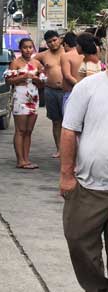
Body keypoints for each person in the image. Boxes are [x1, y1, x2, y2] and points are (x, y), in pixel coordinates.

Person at [60, 69, 108, 291]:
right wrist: (66, 176)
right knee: (77, 239)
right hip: (90, 187)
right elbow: (69, 131)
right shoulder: (88, 86)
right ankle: (97, 287)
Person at [4, 38, 46, 169]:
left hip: (33, 97)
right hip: (20, 97)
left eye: (30, 47)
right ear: (20, 49)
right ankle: (20, 160)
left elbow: (42, 83)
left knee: (29, 131)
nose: (28, 50)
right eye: (25, 47)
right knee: (20, 130)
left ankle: (26, 159)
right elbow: (8, 81)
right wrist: (23, 77)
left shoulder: (37, 64)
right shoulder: (15, 63)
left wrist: (36, 79)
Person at [34, 30, 65, 158]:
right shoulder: (43, 55)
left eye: (54, 40)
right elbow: (29, 62)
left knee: (68, 122)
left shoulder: (68, 52)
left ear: (59, 39)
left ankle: (68, 150)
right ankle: (59, 149)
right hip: (50, 90)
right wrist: (38, 76)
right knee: (56, 121)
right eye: (49, 42)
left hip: (67, 91)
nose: (52, 44)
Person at [59, 32, 83, 157]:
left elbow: (67, 76)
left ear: (66, 44)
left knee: (69, 129)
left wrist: (80, 87)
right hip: (84, 95)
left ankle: (70, 159)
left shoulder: (66, 56)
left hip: (71, 94)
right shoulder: (85, 56)